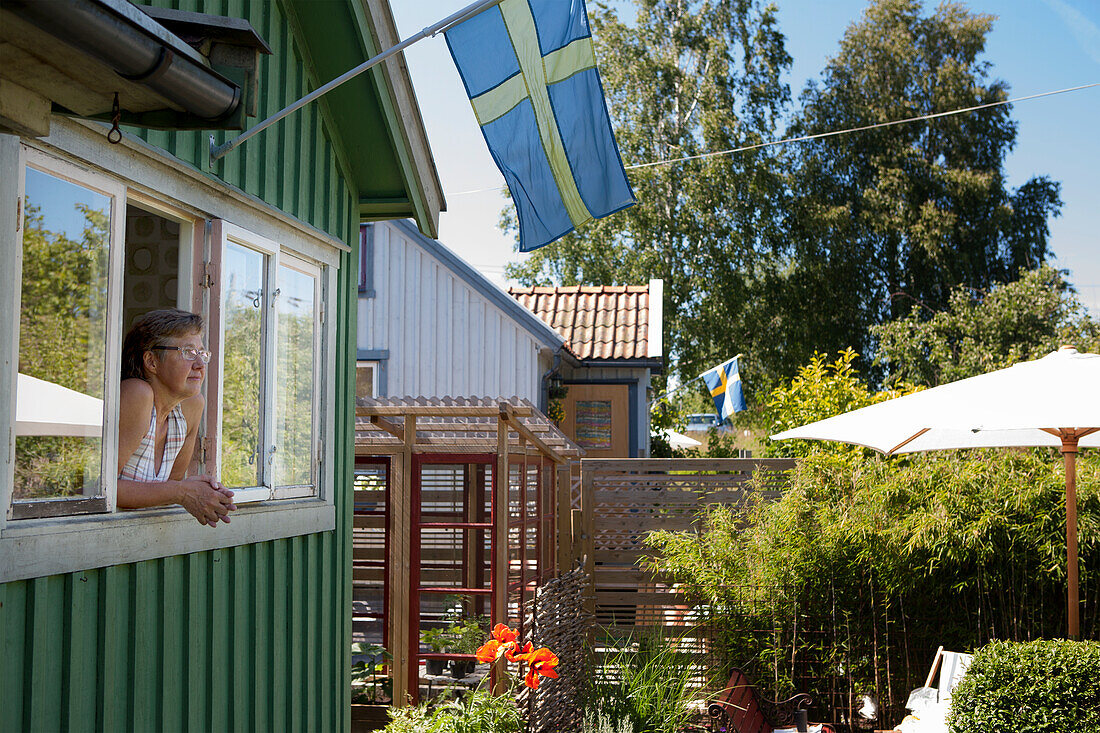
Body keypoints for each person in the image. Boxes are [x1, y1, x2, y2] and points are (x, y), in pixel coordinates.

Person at [117, 308, 236, 526]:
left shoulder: (191, 406)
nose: (200, 365)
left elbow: (170, 486)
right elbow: (102, 490)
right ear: (151, 361)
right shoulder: (136, 393)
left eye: (202, 354)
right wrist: (182, 491)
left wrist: (194, 489)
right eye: (189, 353)